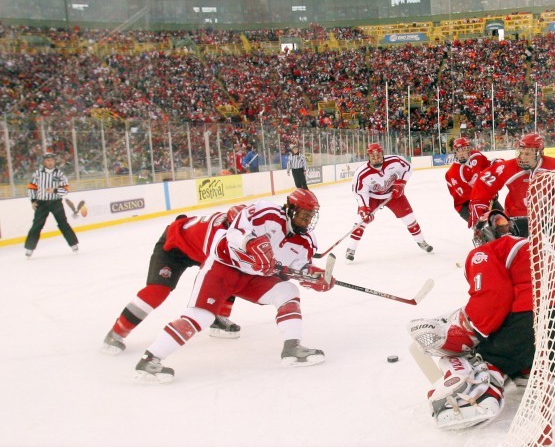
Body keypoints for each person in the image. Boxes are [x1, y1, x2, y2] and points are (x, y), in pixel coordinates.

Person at [408, 210, 555, 434]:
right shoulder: (533, 247)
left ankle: (477, 398)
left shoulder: (488, 251)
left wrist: (466, 335)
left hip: (539, 316)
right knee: (516, 348)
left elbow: (493, 297)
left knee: (487, 355)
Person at [134, 189, 333, 383]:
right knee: (202, 316)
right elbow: (234, 231)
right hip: (224, 266)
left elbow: (297, 266)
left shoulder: (306, 241)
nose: (307, 221)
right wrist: (251, 243)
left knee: (288, 292)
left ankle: (292, 348)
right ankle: (150, 359)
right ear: (290, 209)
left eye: (311, 216)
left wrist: (313, 276)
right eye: (304, 215)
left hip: (253, 278)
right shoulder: (266, 213)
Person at [101, 205, 247, 355]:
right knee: (157, 291)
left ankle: (217, 319)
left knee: (231, 274)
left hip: (196, 245)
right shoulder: (217, 235)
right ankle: (116, 332)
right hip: (173, 246)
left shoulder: (238, 225)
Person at [345, 142, 432, 262]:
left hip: (393, 194)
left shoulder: (394, 161)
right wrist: (364, 208)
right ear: (369, 157)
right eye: (373, 157)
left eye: (379, 156)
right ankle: (351, 249)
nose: (376, 159)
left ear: (382, 154)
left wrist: (401, 183)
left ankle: (421, 241)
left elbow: (408, 168)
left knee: (410, 218)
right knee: (360, 221)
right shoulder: (362, 173)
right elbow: (360, 192)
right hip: (372, 197)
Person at [469, 132, 555, 240]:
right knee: (520, 250)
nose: (522, 157)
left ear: (539, 153)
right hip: (517, 217)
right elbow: (483, 182)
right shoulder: (509, 167)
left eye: (527, 154)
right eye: (521, 153)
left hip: (546, 214)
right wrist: (478, 206)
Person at [24, 152, 79, 258]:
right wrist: (33, 201)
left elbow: (66, 189)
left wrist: (54, 190)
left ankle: (73, 244)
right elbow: (31, 187)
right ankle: (29, 248)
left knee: (63, 223)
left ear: (54, 161)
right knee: (37, 225)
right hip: (42, 203)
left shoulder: (59, 174)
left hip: (55, 202)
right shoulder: (38, 173)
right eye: (48, 160)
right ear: (44, 162)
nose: (50, 162)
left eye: (52, 160)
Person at [444, 137, 496, 228]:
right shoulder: (453, 173)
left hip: (483, 196)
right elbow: (468, 196)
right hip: (465, 203)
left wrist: (495, 163)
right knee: (482, 227)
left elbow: (487, 166)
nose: (461, 153)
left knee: (502, 220)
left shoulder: (476, 156)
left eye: (464, 149)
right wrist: (489, 193)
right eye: (458, 150)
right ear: (455, 152)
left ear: (469, 149)